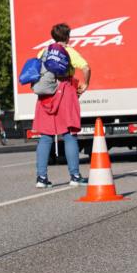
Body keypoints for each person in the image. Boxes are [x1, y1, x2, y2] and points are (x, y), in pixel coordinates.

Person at [33, 23, 91, 188]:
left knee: (45, 137)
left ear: (53, 36)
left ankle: (41, 178)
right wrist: (86, 83)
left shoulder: (43, 51)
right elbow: (86, 67)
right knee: (69, 134)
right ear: (67, 37)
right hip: (65, 91)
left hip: (46, 95)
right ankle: (75, 176)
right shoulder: (69, 51)